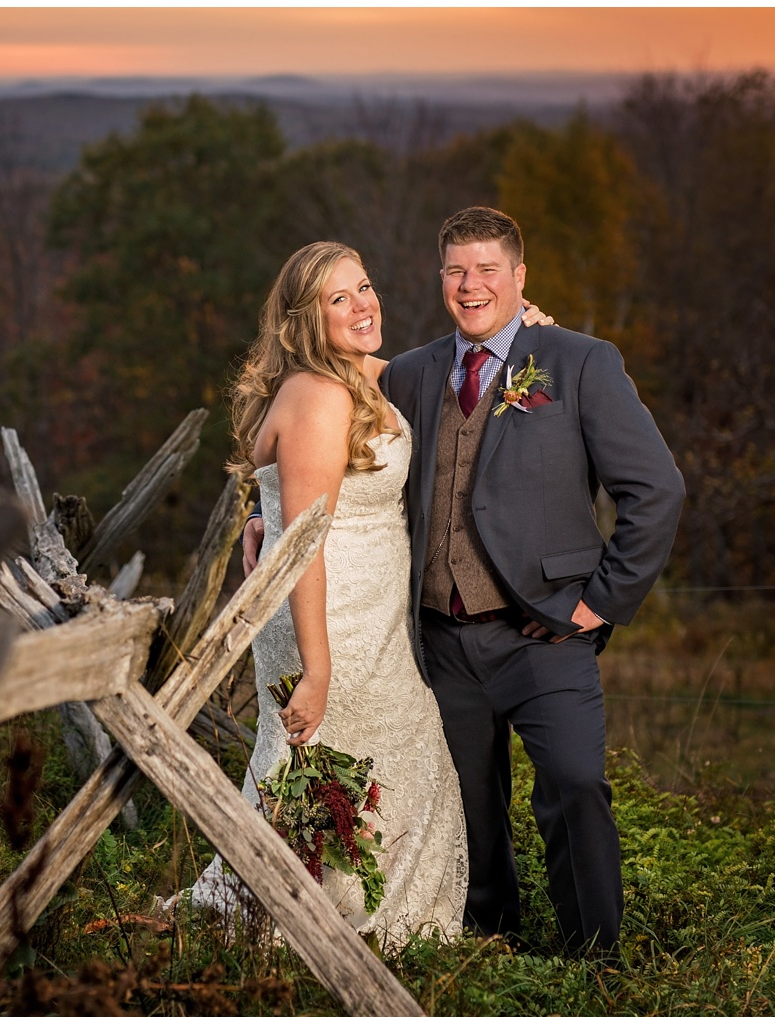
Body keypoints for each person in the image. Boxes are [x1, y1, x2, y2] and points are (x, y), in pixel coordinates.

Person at [247, 208, 684, 955]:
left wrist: (598, 603)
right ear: (440, 279)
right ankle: (484, 940)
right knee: (466, 803)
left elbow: (657, 490)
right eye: (456, 270)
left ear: (520, 276)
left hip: (545, 631)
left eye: (489, 269)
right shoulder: (412, 373)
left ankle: (597, 957)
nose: (471, 284)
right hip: (437, 638)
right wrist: (264, 524)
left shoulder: (576, 361)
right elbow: (304, 439)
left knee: (575, 785)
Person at [185, 241, 550, 950]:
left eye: (365, 287)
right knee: (343, 755)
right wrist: (317, 671)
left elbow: (455, 365)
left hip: (375, 615)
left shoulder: (360, 376)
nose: (363, 305)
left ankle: (337, 915)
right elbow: (308, 541)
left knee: (384, 754)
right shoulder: (320, 395)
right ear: (304, 318)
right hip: (327, 615)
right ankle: (318, 923)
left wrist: (518, 326)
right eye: (338, 298)